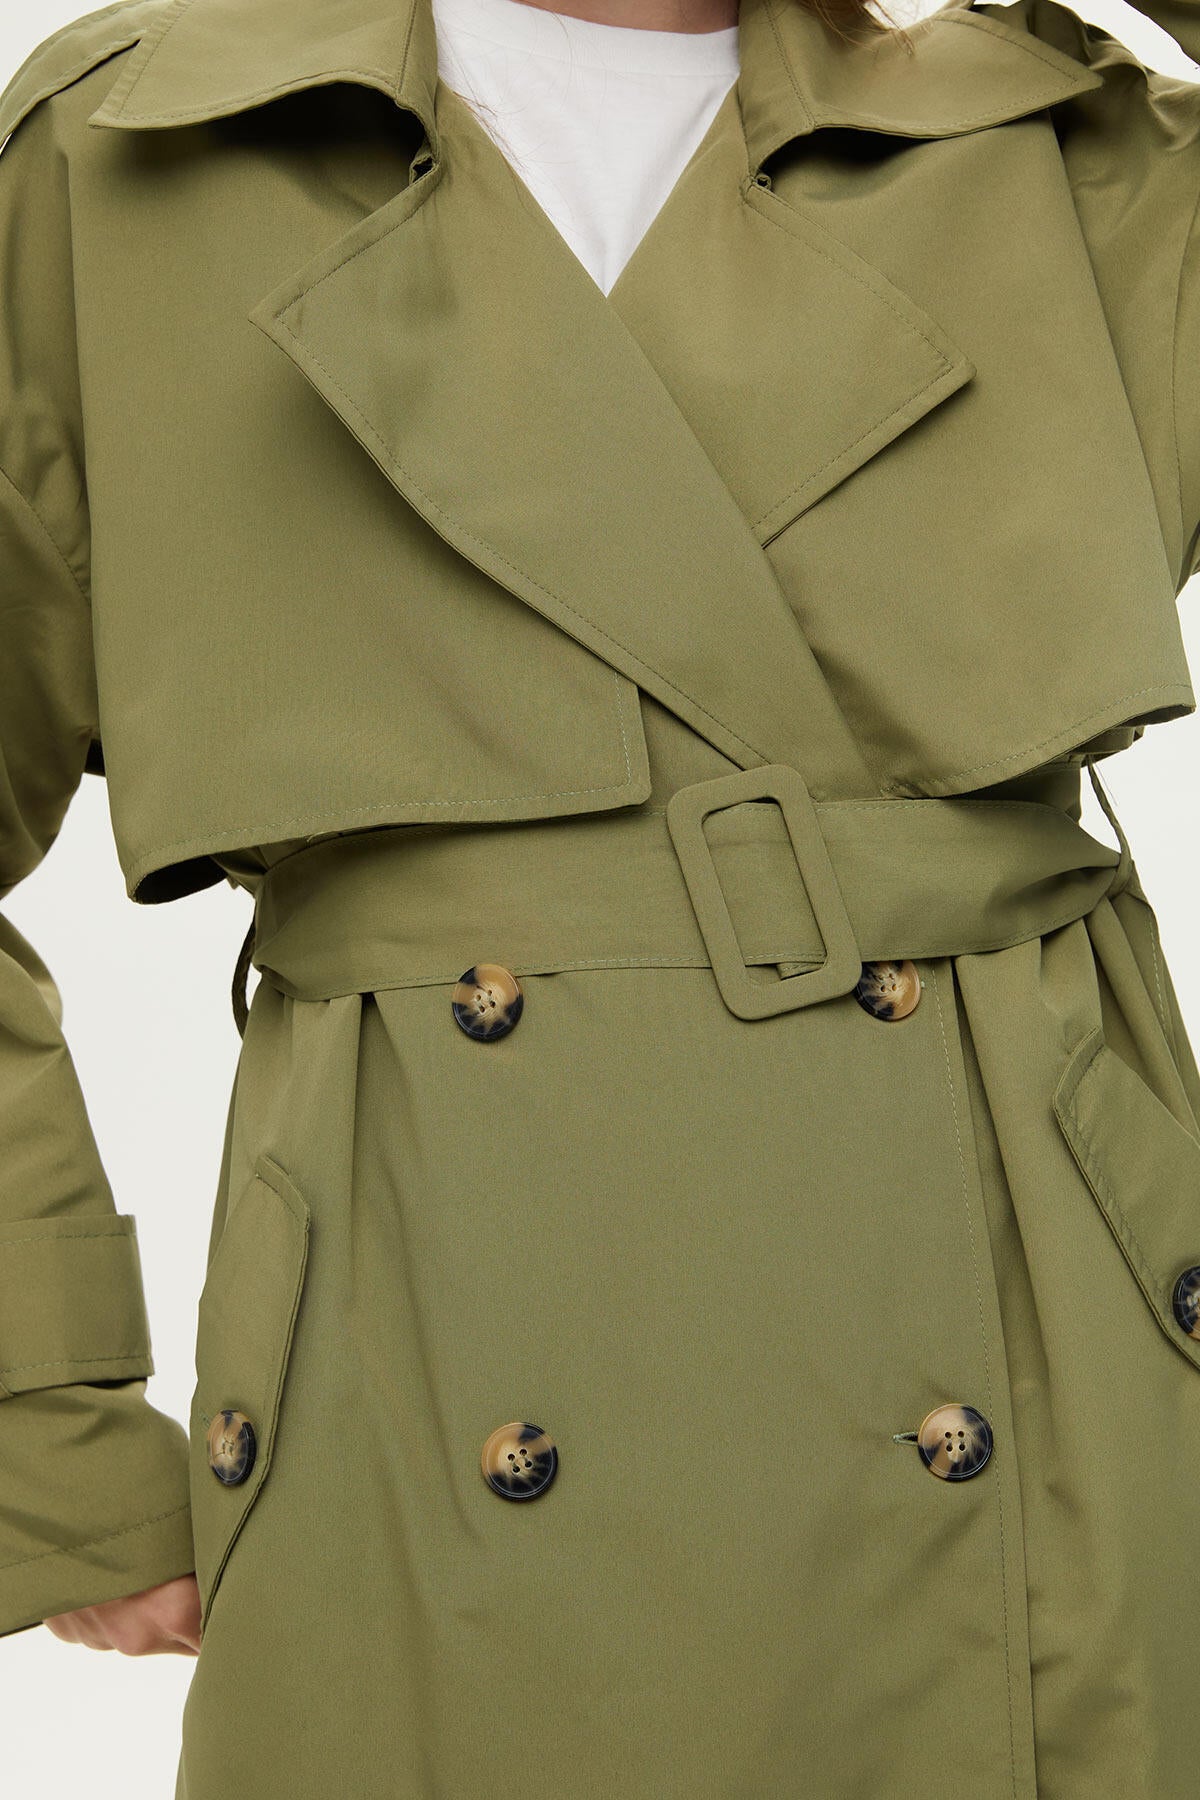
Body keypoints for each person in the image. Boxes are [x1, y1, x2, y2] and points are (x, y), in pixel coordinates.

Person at [2, 0, 1200, 1791]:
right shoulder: (137, 150)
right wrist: (42, 1422)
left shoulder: (1070, 149)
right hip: (411, 1369)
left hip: (1046, 1401)